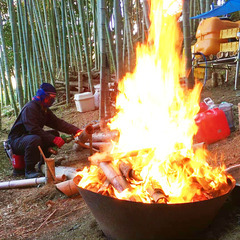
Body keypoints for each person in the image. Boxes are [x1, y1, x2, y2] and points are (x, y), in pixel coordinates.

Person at [8, 83, 82, 179]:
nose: (52, 100)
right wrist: (53, 139)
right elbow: (33, 130)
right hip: (16, 141)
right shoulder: (30, 108)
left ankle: (43, 164)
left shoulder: (43, 109)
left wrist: (76, 130)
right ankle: (29, 170)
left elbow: (58, 123)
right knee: (35, 139)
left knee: (54, 133)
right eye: (51, 97)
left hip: (29, 137)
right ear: (43, 95)